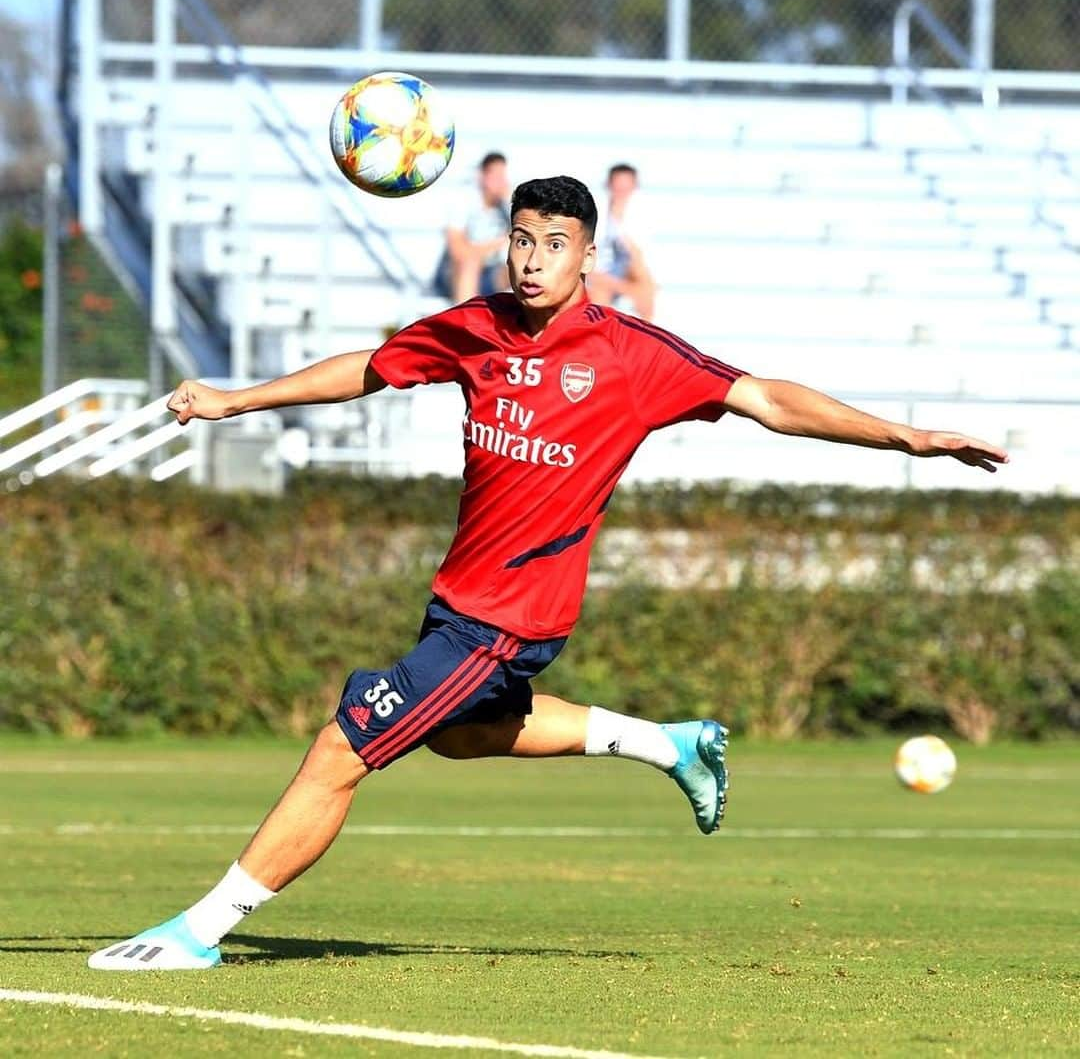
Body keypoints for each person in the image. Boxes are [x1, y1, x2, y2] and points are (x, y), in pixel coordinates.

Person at [89, 175, 1008, 971]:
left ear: (587, 257)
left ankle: (200, 931)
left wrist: (906, 437)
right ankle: (670, 744)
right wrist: (234, 400)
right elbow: (368, 369)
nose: (532, 260)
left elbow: (766, 399)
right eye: (522, 240)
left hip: (510, 616)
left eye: (554, 245)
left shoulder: (632, 356)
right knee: (454, 737)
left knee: (347, 742)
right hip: (458, 604)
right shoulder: (473, 330)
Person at [434, 151, 511, 302]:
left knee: (524, 269)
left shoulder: (505, 207)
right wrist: (495, 245)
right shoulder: (464, 203)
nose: (501, 182)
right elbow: (458, 252)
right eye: (496, 177)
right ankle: (466, 323)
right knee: (470, 264)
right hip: (454, 274)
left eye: (503, 177)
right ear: (482, 176)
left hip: (492, 273)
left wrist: (512, 203)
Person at [588, 163, 656, 319]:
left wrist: (619, 224)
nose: (621, 192)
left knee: (643, 285)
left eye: (626, 187)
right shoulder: (595, 212)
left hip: (630, 274)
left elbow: (639, 258)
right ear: (609, 185)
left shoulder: (643, 215)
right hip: (599, 275)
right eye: (618, 186)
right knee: (599, 292)